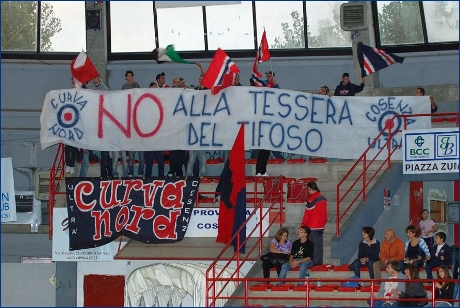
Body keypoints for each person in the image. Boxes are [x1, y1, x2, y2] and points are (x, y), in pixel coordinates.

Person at [255, 70, 283, 176]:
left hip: (271, 122)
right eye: (267, 76)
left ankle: (263, 170)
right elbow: (255, 83)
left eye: (270, 76)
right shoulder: (263, 84)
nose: (268, 77)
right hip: (263, 122)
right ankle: (259, 170)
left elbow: (280, 95)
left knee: (267, 150)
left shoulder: (276, 86)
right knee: (262, 150)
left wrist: (275, 85)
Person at [301, 181, 327, 265]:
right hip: (321, 225)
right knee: (319, 245)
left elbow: (307, 214)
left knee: (313, 245)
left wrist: (303, 226)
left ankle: (314, 262)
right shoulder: (323, 198)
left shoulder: (311, 199)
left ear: (309, 188)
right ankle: (319, 262)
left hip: (312, 226)